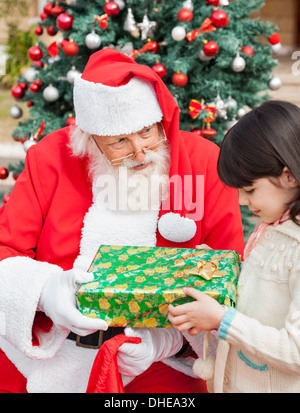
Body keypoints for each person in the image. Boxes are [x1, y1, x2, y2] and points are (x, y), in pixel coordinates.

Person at [0, 48, 244, 393]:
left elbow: (228, 277)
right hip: (49, 354)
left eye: (147, 132)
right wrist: (44, 291)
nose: (141, 152)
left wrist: (165, 342)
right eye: (119, 142)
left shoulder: (205, 163)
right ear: (89, 141)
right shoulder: (50, 159)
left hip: (160, 367)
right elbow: (4, 251)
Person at [168, 100, 300, 393]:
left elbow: (296, 351)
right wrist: (222, 268)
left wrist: (222, 320)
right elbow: (264, 292)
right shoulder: (272, 226)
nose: (242, 201)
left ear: (289, 175)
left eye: (249, 189)